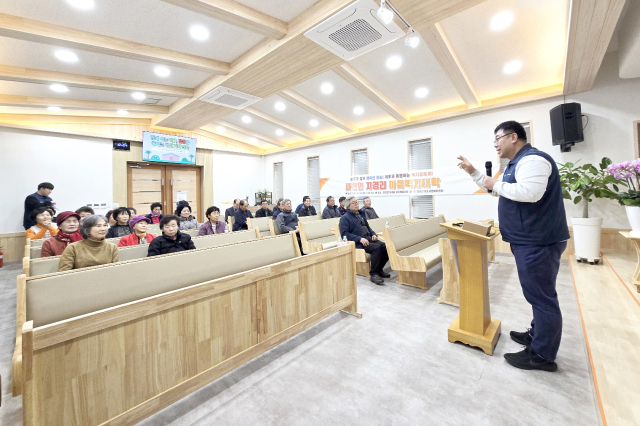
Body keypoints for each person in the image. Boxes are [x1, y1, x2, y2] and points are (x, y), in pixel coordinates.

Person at [457, 120, 570, 372]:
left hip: (538, 241)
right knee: (537, 294)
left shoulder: (533, 160)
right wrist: (474, 172)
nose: (495, 144)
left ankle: (541, 355)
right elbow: (498, 190)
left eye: (498, 139)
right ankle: (537, 334)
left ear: (513, 137)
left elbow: (530, 193)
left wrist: (494, 184)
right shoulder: (515, 164)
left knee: (542, 297)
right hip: (528, 240)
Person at [340, 197, 389, 285]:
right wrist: (359, 238)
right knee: (377, 248)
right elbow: (344, 234)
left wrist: (373, 234)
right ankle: (373, 274)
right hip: (359, 242)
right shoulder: (345, 218)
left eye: (356, 202)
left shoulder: (361, 214)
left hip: (369, 239)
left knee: (386, 247)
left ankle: (379, 270)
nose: (356, 204)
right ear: (348, 206)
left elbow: (368, 227)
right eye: (354, 203)